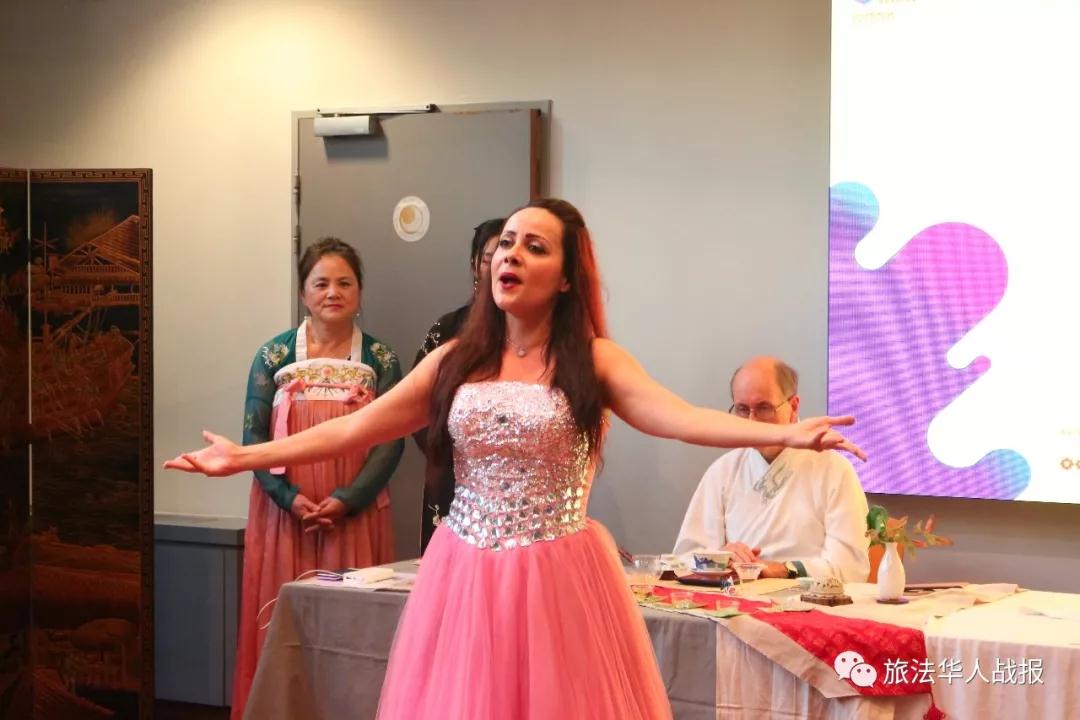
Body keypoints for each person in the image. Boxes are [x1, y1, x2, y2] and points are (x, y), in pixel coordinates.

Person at [167, 199, 864, 720]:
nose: (512, 256)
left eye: (535, 247)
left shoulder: (592, 359)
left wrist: (788, 435)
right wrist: (246, 456)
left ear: (565, 277)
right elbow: (359, 427)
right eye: (506, 243)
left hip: (557, 573)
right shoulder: (457, 360)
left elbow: (675, 416)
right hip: (463, 572)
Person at [230, 237, 404, 719]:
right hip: (286, 516)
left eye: (344, 283)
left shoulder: (382, 358)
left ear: (360, 292)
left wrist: (349, 498)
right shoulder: (273, 356)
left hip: (355, 513)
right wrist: (288, 497)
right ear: (303, 293)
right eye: (321, 283)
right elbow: (253, 439)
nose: (333, 293)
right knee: (282, 620)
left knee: (354, 624)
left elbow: (393, 439)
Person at [673, 357, 871, 582]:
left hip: (807, 598)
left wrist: (782, 569)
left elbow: (851, 568)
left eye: (764, 408)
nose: (751, 421)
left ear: (794, 406)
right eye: (742, 409)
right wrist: (720, 558)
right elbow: (682, 560)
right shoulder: (723, 471)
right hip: (736, 598)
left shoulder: (835, 470)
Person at [413, 217, 503, 551]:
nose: (502, 264)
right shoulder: (448, 329)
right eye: (490, 257)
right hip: (454, 477)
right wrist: (455, 452)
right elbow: (417, 408)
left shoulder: (539, 338)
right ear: (474, 265)